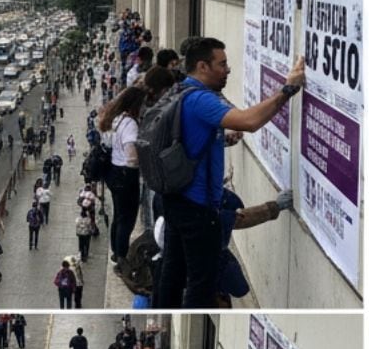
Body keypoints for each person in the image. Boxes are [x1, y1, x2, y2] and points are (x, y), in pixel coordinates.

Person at [155, 40, 305, 308]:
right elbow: (249, 122)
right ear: (203, 66)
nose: (228, 70)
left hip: (175, 199)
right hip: (197, 209)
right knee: (202, 286)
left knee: (173, 275)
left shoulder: (179, 91)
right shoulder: (200, 99)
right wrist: (288, 89)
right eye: (222, 64)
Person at [97, 86, 144, 263]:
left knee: (119, 215)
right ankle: (122, 256)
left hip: (114, 171)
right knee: (127, 218)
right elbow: (132, 156)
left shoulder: (117, 119)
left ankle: (116, 251)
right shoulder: (130, 124)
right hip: (126, 174)